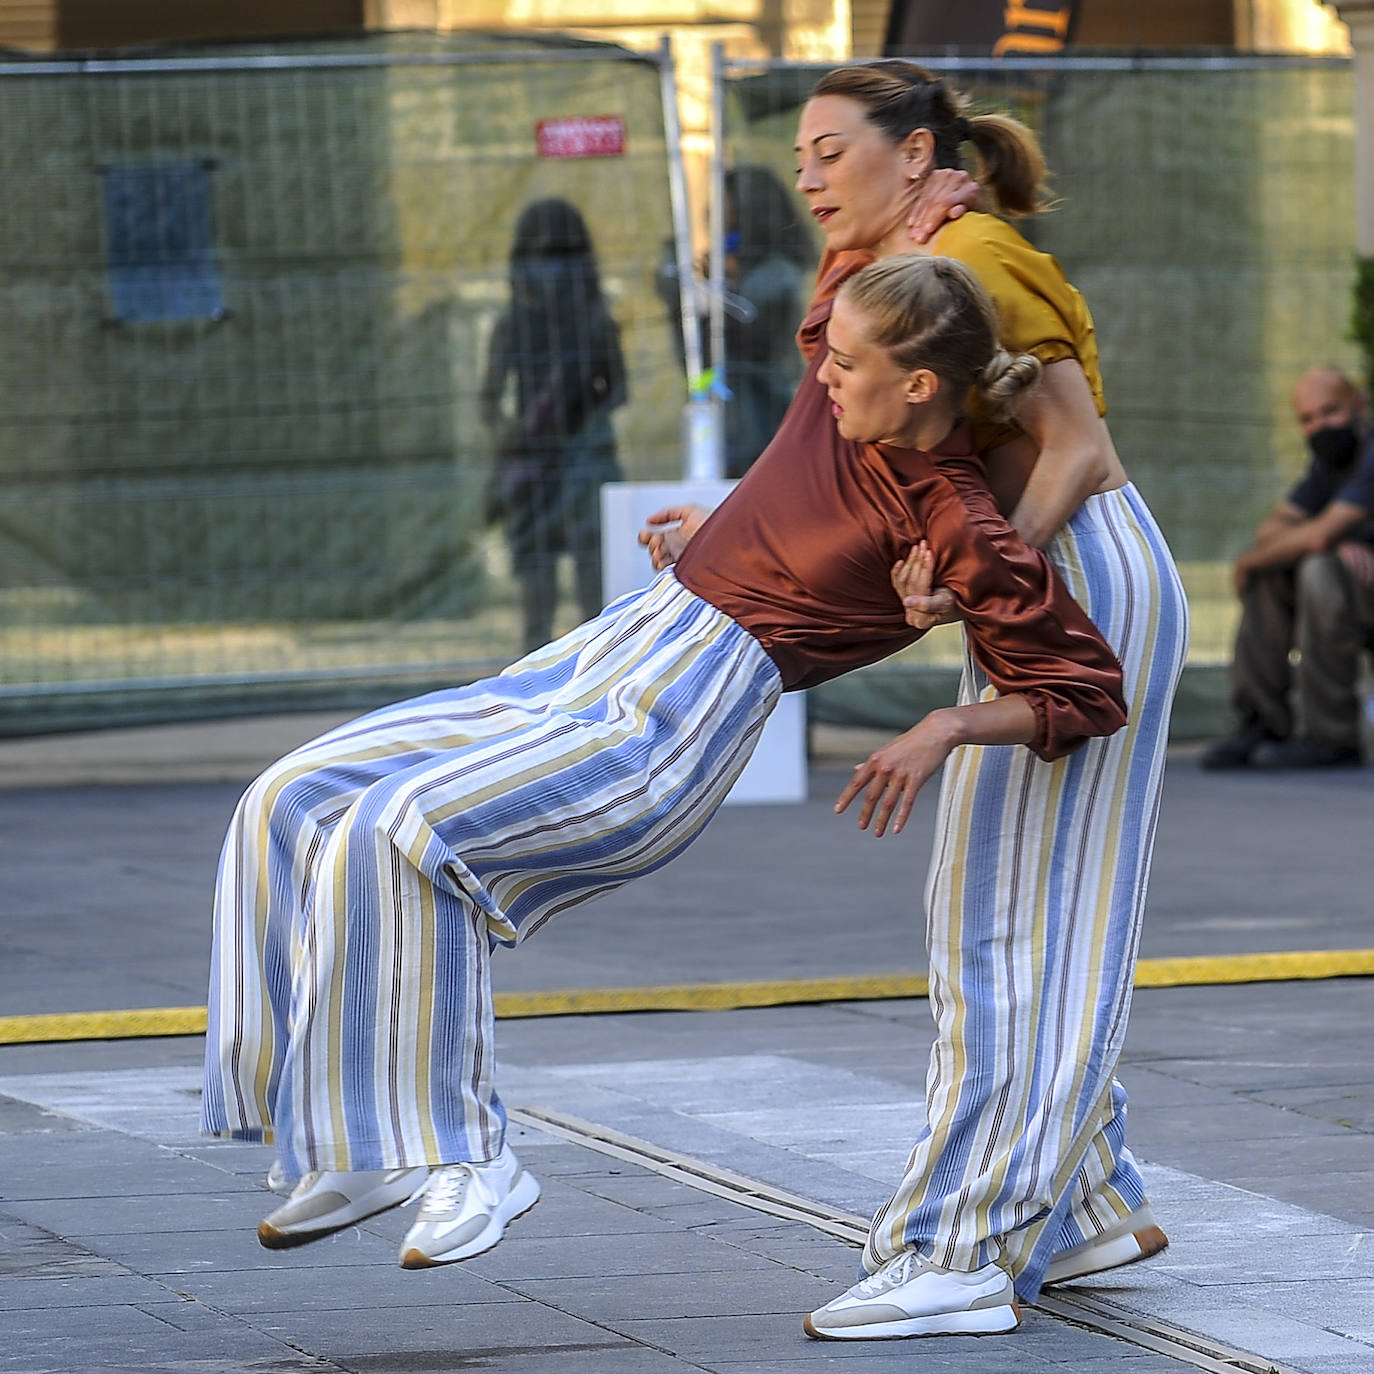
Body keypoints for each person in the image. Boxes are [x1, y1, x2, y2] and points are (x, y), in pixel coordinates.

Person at [201, 254, 1127, 1297]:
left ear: (920, 384)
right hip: (596, 659)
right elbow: (839, 275)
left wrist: (945, 724)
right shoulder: (839, 400)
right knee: (289, 797)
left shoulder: (954, 518)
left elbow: (1086, 687)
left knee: (405, 829)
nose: (822, 367)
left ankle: (468, 1155)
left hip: (674, 723)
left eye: (851, 358)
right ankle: (352, 1138)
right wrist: (720, 531)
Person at [643, 60, 1189, 1334]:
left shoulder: (981, 251)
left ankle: (962, 1254)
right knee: (999, 915)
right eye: (801, 160)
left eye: (835, 150)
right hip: (1034, 575)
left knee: (1021, 926)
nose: (811, 177)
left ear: (918, 151)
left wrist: (980, 569)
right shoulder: (906, 263)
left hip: (1078, 571)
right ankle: (1091, 1204)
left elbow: (1078, 450)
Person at [1201, 365, 1374, 770]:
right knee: (1273, 571)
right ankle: (1261, 723)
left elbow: (1316, 536)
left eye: (1330, 412)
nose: (1320, 426)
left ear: (1359, 405)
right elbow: (1273, 529)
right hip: (1360, 585)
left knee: (1318, 568)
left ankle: (1331, 736)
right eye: (1308, 419)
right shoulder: (1326, 468)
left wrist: (1247, 561)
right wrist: (1331, 538)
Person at [480, 197, 626, 652]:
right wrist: (515, 437)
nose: (551, 272)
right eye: (541, 257)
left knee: (593, 599)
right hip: (540, 466)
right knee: (537, 604)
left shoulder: (594, 319)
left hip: (583, 465)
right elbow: (487, 400)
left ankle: (592, 684)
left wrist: (579, 428)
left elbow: (618, 389)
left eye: (559, 257)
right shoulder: (514, 322)